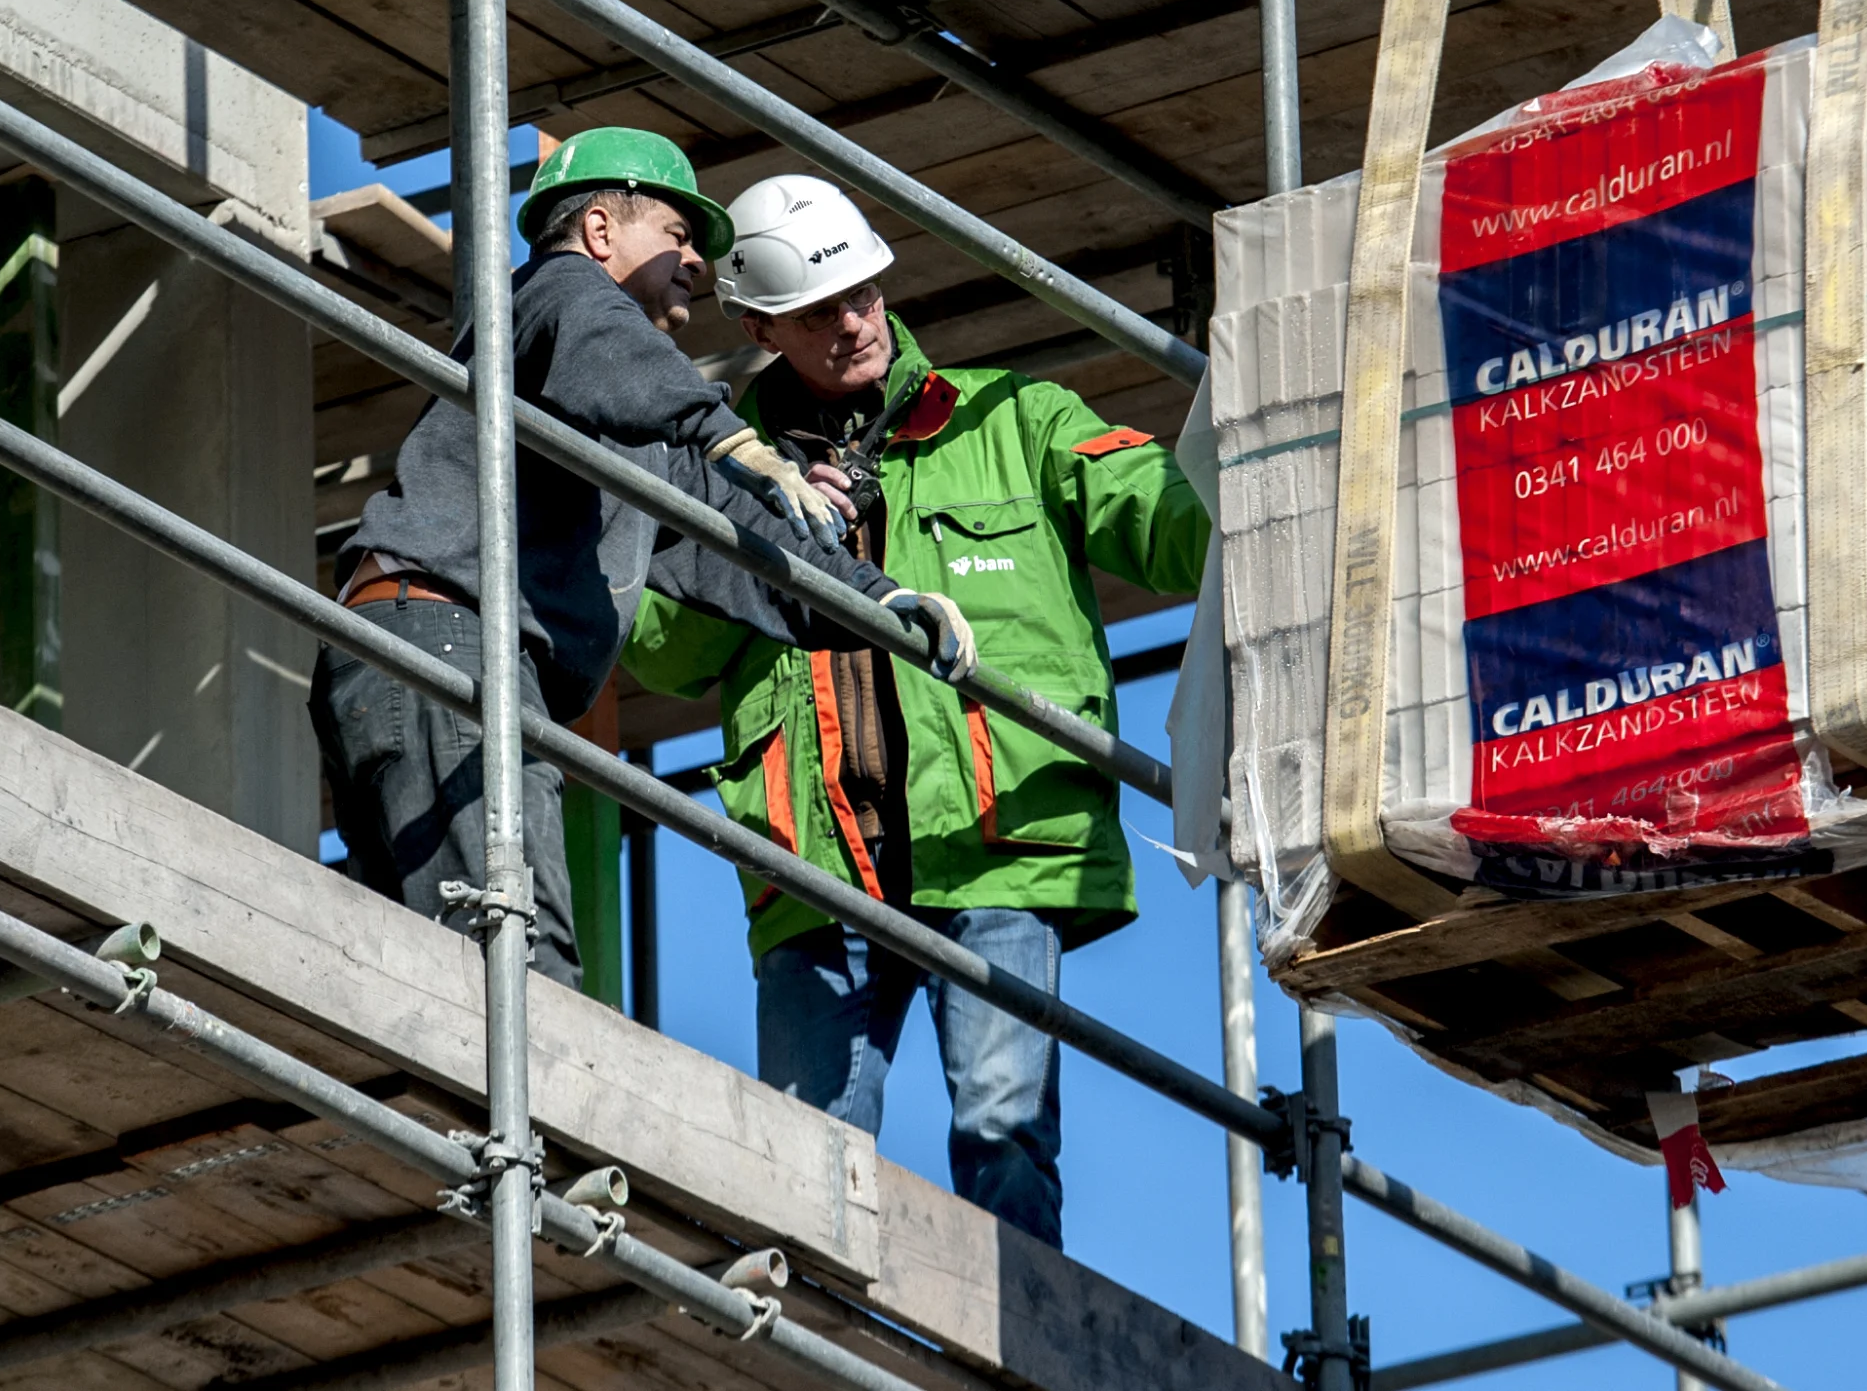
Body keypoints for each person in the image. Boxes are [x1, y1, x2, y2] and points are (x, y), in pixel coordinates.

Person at [620, 173, 1210, 1244]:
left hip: (994, 841)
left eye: (862, 294)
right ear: (758, 325)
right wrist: (749, 526)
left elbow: (1165, 519)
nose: (851, 323)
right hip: (816, 861)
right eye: (816, 311)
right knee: (808, 1155)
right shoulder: (720, 471)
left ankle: (1015, 1355)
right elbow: (665, 654)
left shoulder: (1014, 419)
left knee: (1004, 1129)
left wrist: (1276, 483)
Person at [313, 129, 976, 987]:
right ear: (599, 230)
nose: (697, 263)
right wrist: (731, 433)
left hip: (420, 657)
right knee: (513, 954)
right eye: (676, 234)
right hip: (442, 644)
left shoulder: (628, 425)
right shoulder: (555, 296)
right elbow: (611, 343)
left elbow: (737, 540)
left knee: (427, 965)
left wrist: (879, 603)